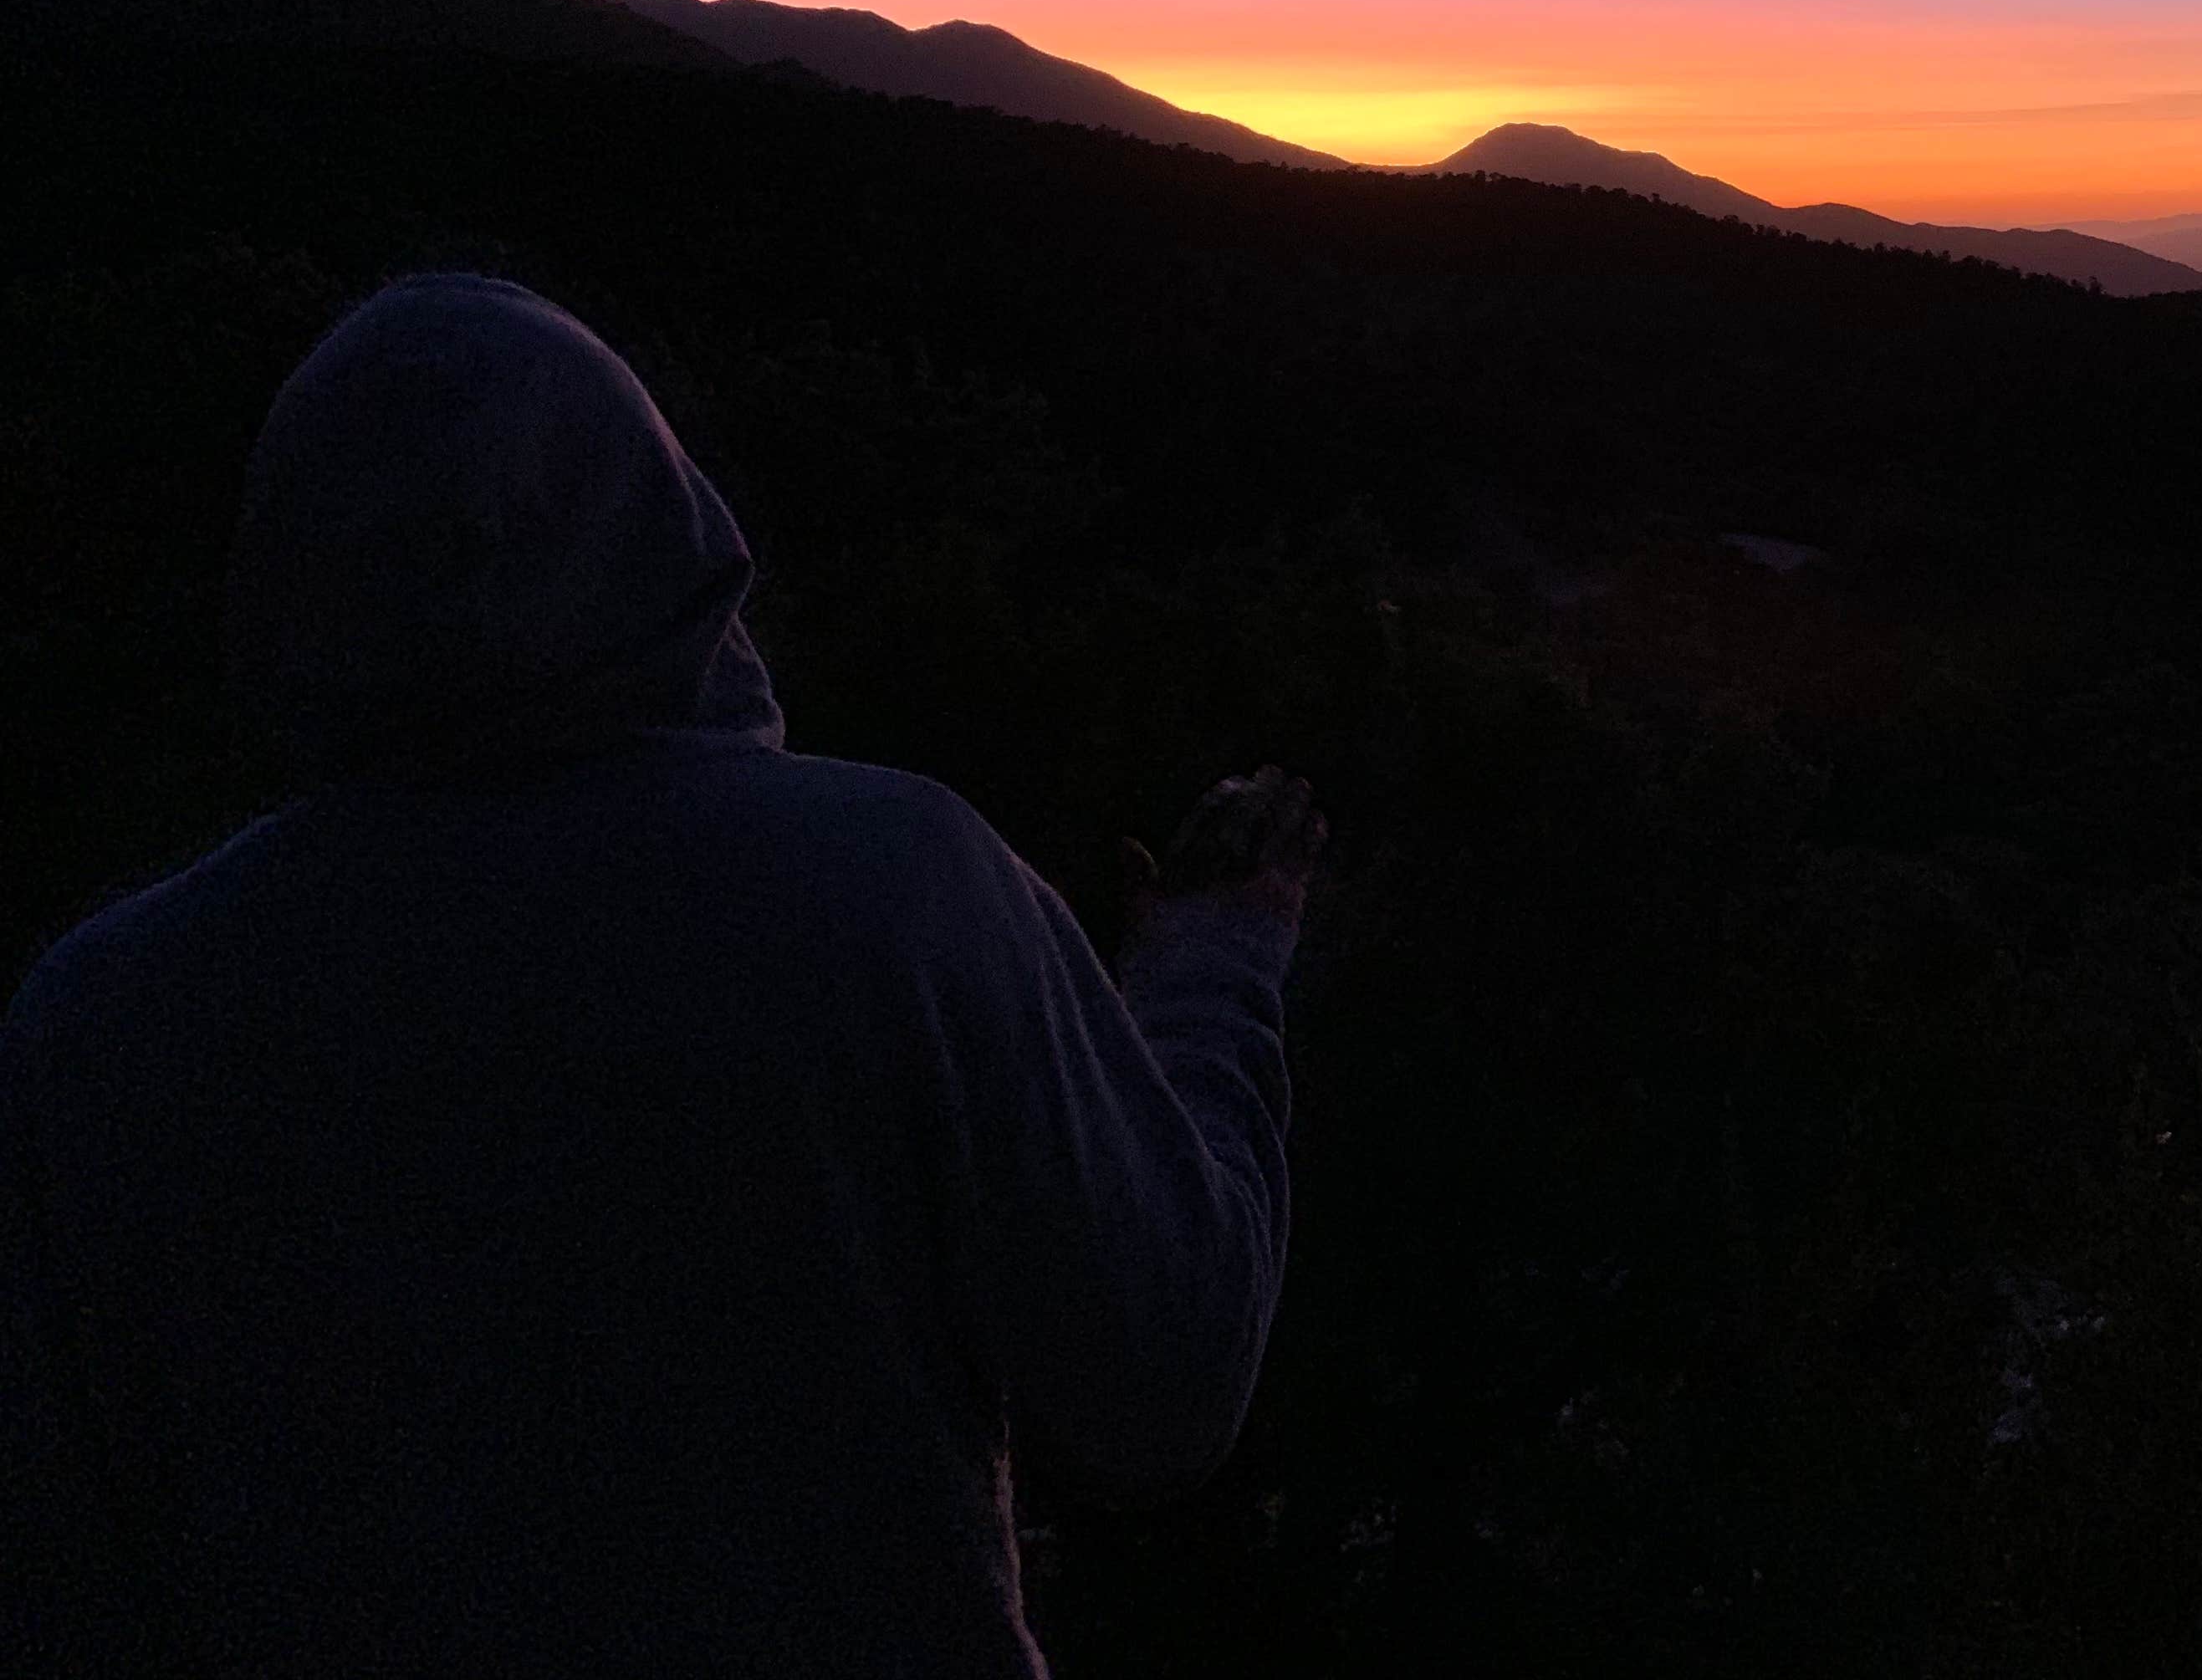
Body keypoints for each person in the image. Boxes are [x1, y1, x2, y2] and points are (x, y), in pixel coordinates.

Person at [0, 274, 1319, 1675]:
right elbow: (1168, 1370)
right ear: (670, 531)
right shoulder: (892, 895)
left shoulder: (94, 1033)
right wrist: (1215, 966)